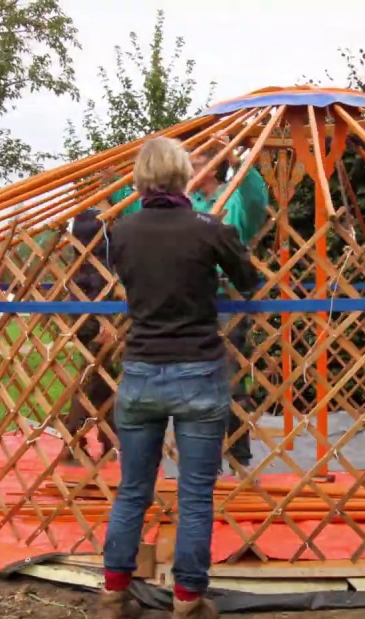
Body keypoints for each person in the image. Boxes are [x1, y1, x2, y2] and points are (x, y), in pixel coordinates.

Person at [98, 137, 258, 619]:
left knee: (131, 491)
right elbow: (248, 281)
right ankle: (187, 606)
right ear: (184, 174)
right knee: (194, 495)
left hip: (141, 372)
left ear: (141, 178)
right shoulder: (210, 228)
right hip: (198, 372)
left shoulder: (120, 233)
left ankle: (112, 598)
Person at [108, 135, 268, 471]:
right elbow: (127, 203)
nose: (191, 163)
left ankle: (238, 456)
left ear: (212, 165)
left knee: (233, 376)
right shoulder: (178, 208)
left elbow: (256, 202)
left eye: (196, 158)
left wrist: (239, 162)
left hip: (226, 299)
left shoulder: (231, 199)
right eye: (187, 159)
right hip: (179, 304)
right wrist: (127, 168)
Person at [61, 208, 117, 463]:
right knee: (92, 381)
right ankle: (71, 439)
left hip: (83, 319)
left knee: (104, 381)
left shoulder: (80, 257)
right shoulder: (99, 257)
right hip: (97, 322)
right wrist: (106, 321)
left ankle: (109, 442)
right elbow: (100, 287)